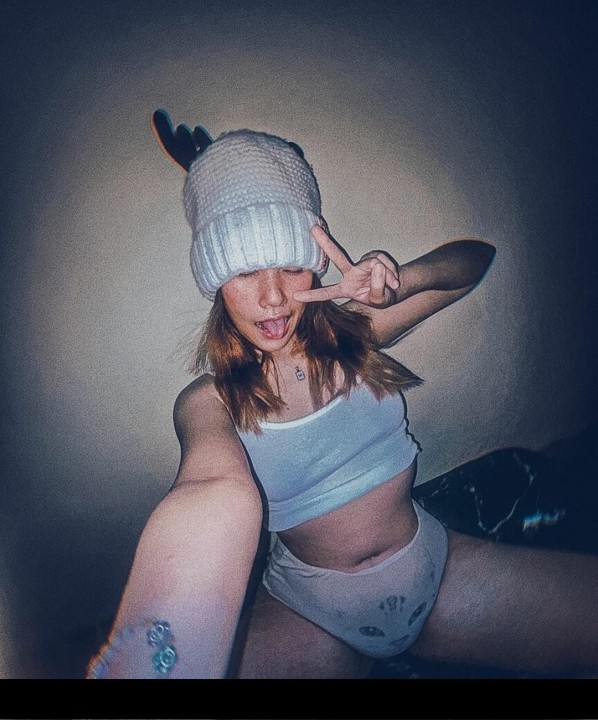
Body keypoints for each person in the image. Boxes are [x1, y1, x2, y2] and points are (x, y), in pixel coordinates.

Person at [86, 112, 598, 679]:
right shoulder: (209, 401)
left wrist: (398, 284)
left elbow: (474, 261)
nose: (274, 298)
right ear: (215, 281)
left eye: (291, 266)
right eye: (246, 272)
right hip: (309, 617)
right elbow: (209, 493)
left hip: (436, 570)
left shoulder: (355, 335)